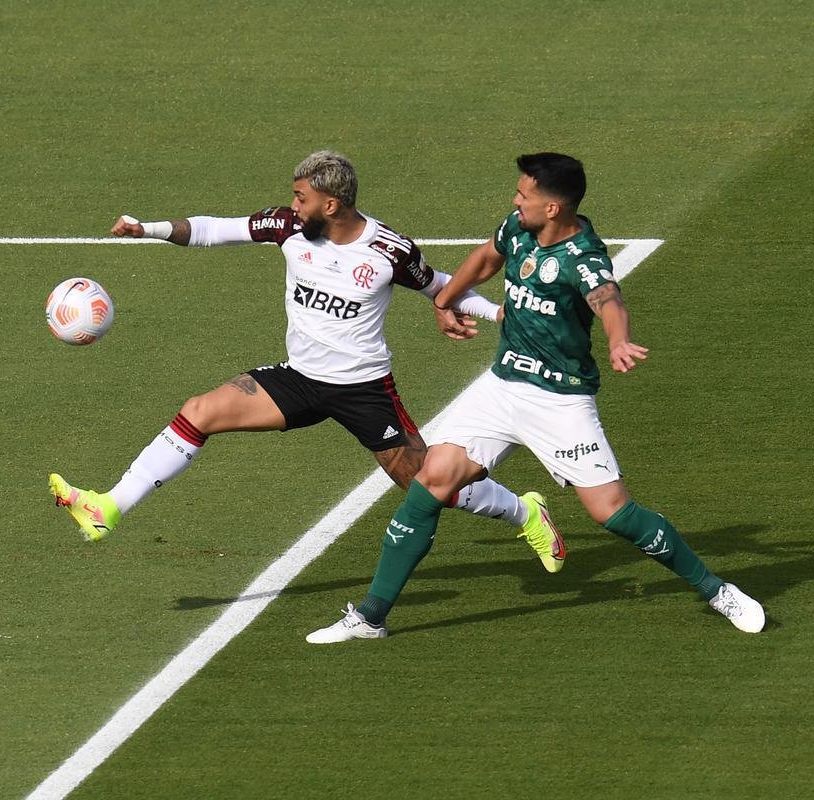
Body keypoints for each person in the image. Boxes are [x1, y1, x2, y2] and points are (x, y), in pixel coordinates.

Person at [307, 152, 765, 643]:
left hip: (560, 401)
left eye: (524, 194)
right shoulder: (518, 229)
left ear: (552, 208)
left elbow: (608, 300)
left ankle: (717, 590)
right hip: (501, 387)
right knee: (432, 480)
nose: (515, 199)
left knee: (613, 513)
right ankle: (372, 617)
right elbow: (485, 258)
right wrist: (445, 298)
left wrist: (617, 340)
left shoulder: (583, 258)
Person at [49, 150, 564, 572]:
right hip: (299, 379)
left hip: (364, 391)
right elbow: (214, 229)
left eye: (302, 198)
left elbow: (440, 288)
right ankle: (109, 507)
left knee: (432, 484)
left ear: (333, 205)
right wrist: (151, 229)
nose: (292, 207)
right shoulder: (288, 227)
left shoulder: (388, 251)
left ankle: (526, 512)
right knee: (200, 411)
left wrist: (500, 313)